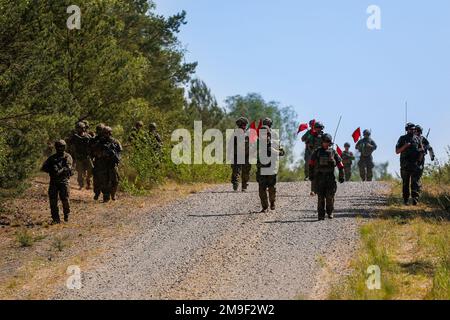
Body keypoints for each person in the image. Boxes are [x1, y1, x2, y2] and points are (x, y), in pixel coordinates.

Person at [309, 133, 345, 220]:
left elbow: (340, 165)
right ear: (322, 142)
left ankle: (330, 212)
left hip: (330, 178)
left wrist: (341, 175)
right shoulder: (317, 152)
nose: (326, 143)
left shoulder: (333, 152)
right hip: (320, 178)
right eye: (325, 141)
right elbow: (311, 164)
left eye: (328, 142)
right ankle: (320, 214)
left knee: (330, 197)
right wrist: (311, 175)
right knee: (320, 198)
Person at [41, 140, 73, 224]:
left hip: (63, 181)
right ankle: (55, 218)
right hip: (54, 182)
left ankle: (66, 214)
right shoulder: (52, 158)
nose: (60, 148)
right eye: (58, 147)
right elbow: (43, 168)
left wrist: (60, 171)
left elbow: (68, 167)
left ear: (64, 147)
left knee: (65, 199)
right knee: (53, 201)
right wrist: (51, 169)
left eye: (62, 146)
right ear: (56, 147)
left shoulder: (67, 156)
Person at [256, 123, 285, 212]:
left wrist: (274, 151)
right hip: (261, 169)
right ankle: (265, 207)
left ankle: (272, 202)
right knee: (262, 189)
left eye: (265, 133)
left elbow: (282, 152)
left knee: (272, 188)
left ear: (269, 134)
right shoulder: (257, 143)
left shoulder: (275, 142)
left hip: (272, 169)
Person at [91, 126, 122, 202]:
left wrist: (116, 157)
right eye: (105, 133)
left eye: (109, 132)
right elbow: (94, 152)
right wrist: (103, 153)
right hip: (103, 165)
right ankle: (106, 196)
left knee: (116, 180)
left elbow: (120, 151)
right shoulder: (100, 142)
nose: (107, 134)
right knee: (104, 182)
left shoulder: (115, 142)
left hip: (112, 164)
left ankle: (113, 194)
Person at [396, 123, 422, 205]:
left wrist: (419, 160)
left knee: (415, 184)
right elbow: (397, 151)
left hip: (415, 165)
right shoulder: (402, 138)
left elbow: (421, 150)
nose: (413, 130)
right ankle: (406, 200)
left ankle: (415, 200)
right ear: (407, 129)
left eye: (414, 129)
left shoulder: (417, 139)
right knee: (405, 183)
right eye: (411, 129)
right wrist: (405, 146)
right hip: (405, 165)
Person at [67, 122, 93, 190]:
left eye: (81, 128)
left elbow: (93, 144)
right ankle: (81, 185)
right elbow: (69, 143)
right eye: (79, 128)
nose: (80, 129)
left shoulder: (88, 136)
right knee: (80, 172)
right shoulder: (74, 137)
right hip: (79, 157)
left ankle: (88, 181)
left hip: (87, 156)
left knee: (91, 169)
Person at [302, 121, 325, 195]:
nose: (318, 129)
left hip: (323, 157)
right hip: (315, 156)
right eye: (317, 127)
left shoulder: (325, 136)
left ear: (322, 128)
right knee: (314, 174)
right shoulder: (312, 135)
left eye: (319, 127)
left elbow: (329, 145)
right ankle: (313, 190)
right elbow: (308, 144)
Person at [231, 117, 251, 192]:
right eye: (243, 124)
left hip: (246, 155)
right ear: (239, 125)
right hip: (237, 155)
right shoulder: (235, 133)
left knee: (246, 171)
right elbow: (230, 145)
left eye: (245, 125)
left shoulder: (248, 133)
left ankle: (244, 186)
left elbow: (252, 144)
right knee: (236, 171)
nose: (244, 126)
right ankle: (235, 184)